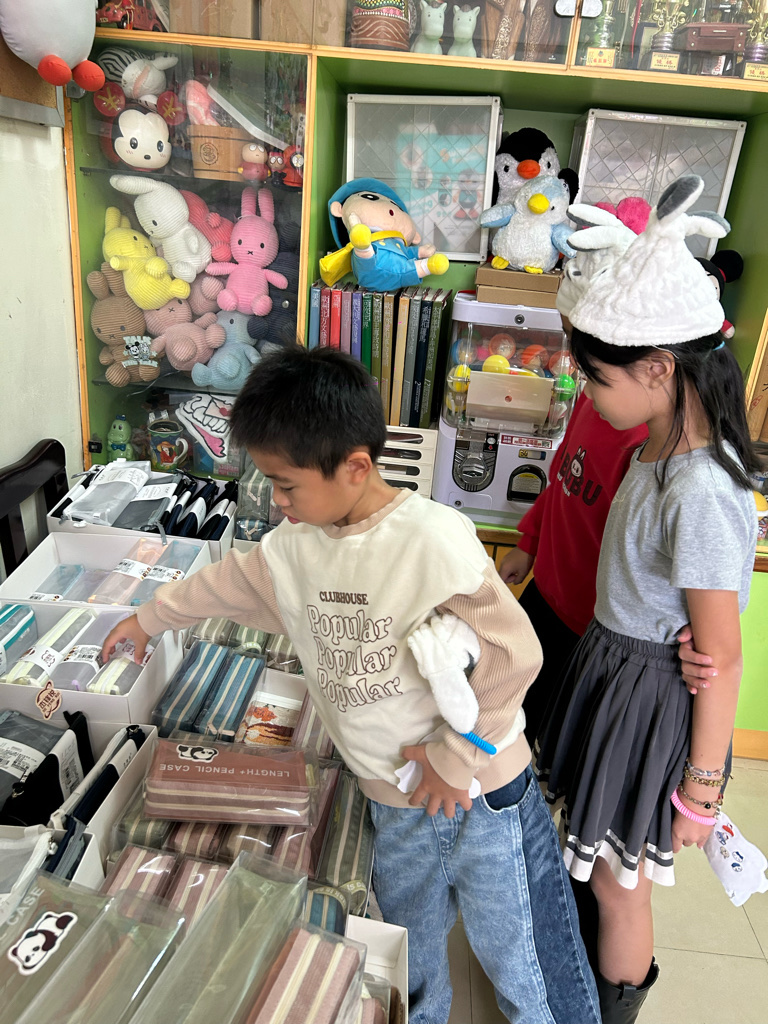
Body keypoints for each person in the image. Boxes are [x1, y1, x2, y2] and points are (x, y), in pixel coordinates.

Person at [101, 345, 600, 1024]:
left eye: (286, 485)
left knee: (527, 964)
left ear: (356, 467)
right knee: (411, 962)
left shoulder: (432, 539)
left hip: (482, 793)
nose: (276, 502)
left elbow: (515, 654)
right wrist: (147, 618)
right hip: (392, 802)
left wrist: (456, 757)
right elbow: (224, 585)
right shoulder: (292, 549)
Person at [533, 175, 759, 1024]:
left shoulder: (701, 488)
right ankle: (573, 988)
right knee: (593, 863)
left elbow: (721, 654)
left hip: (649, 699)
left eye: (596, 378)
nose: (588, 393)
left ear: (659, 367)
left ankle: (608, 1013)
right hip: (612, 670)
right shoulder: (652, 447)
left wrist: (701, 790)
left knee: (620, 885)